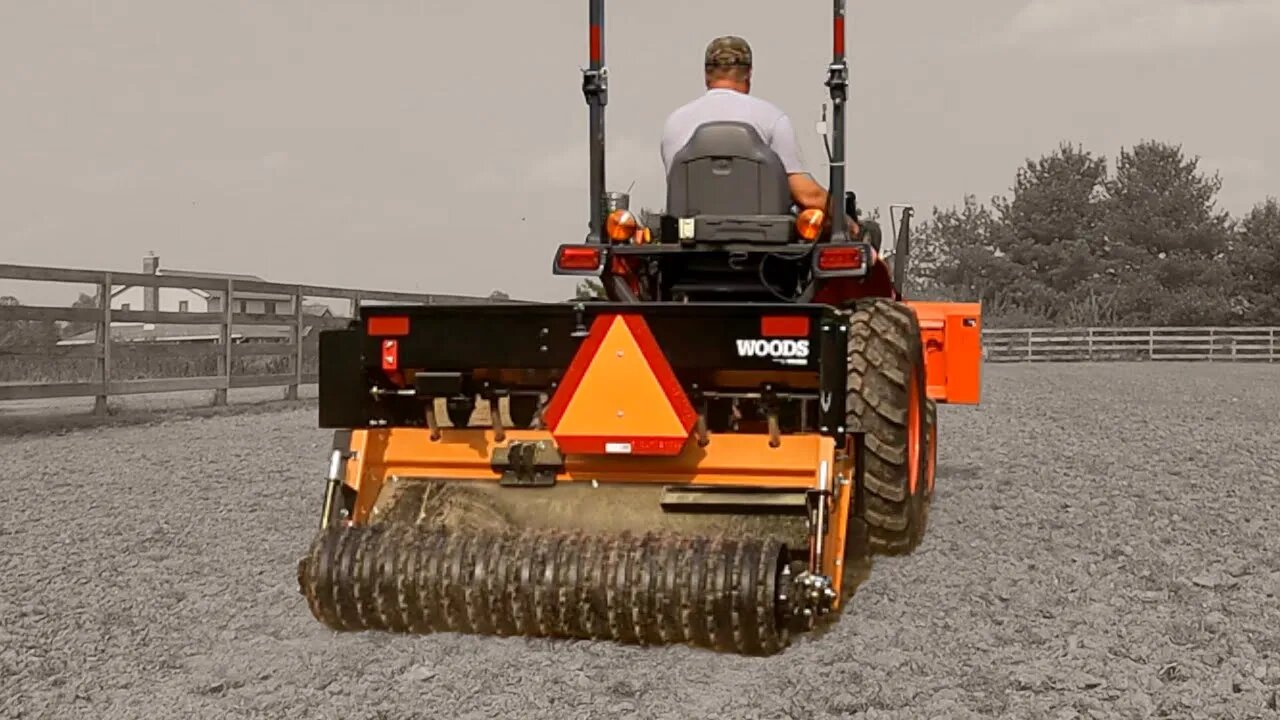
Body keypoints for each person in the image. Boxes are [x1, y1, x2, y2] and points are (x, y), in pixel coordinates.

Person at [660, 35, 830, 212]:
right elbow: (806, 195)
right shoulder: (772, 118)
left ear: (706, 74)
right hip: (764, 237)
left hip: (690, 237)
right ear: (748, 73)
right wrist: (844, 220)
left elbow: (678, 188)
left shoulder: (675, 122)